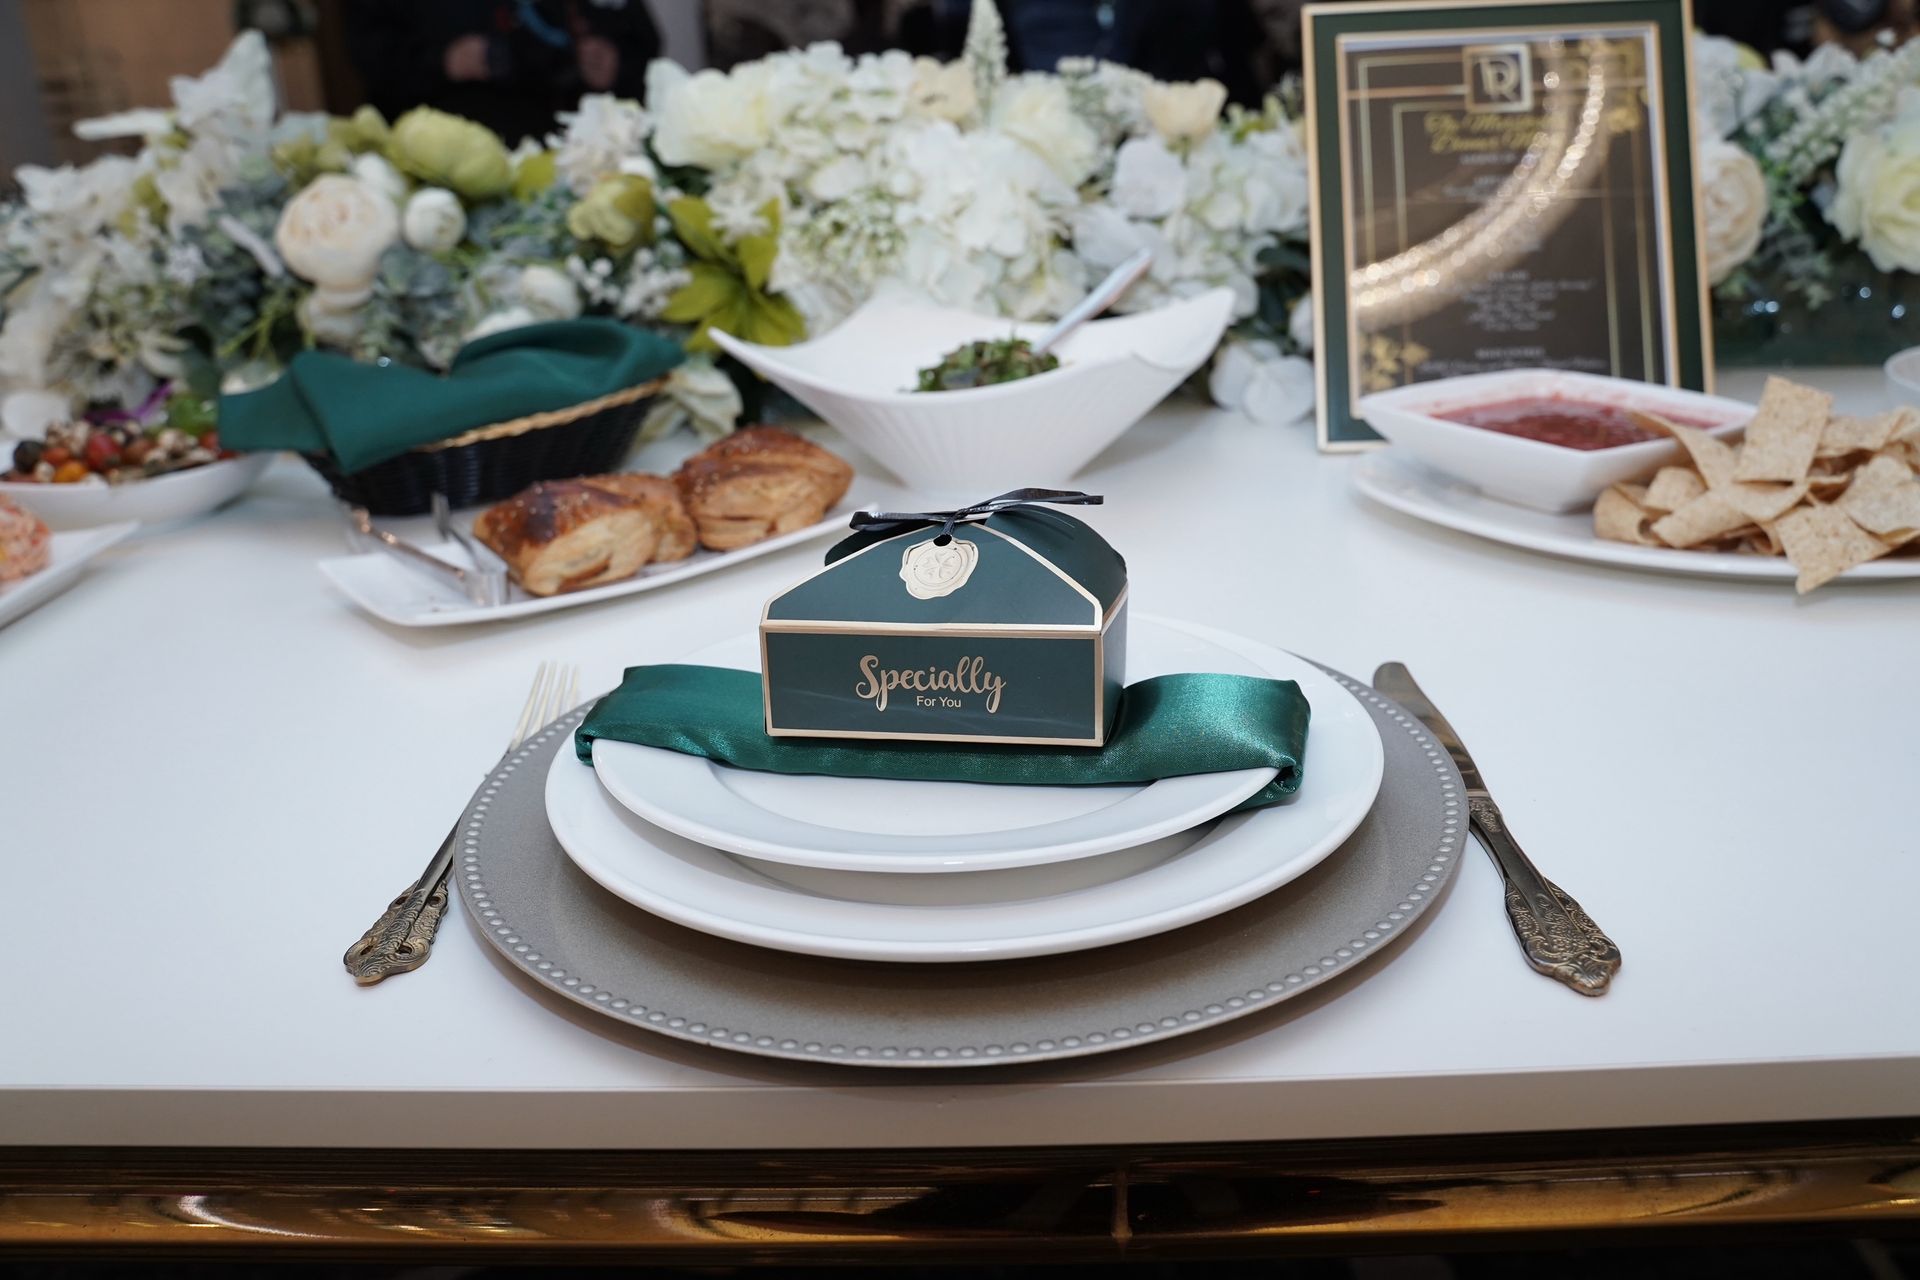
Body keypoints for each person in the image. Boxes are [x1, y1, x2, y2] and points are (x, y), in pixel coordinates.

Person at [343, 0, 661, 143]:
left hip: (566, 146)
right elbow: (369, 56)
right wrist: (442, 62)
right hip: (444, 147)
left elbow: (640, 37)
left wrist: (615, 62)